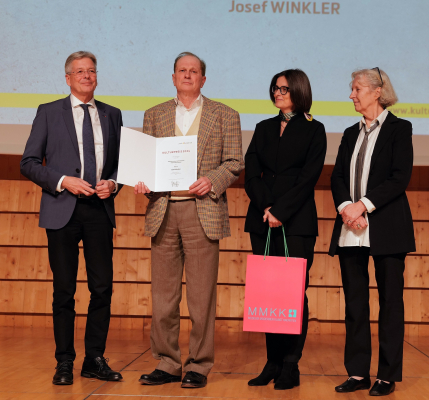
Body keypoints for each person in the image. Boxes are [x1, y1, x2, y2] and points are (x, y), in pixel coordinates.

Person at [134, 52, 244, 389]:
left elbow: (235, 161)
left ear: (203, 79)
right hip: (163, 212)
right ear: (173, 77)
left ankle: (199, 364)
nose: (187, 75)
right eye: (182, 70)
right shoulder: (154, 115)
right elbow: (145, 163)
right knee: (163, 298)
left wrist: (212, 179)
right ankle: (167, 363)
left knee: (201, 297)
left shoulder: (225, 115)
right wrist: (142, 178)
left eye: (194, 71)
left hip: (203, 212)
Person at [20, 51, 123, 385]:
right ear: (67, 78)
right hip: (62, 208)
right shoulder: (49, 112)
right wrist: (63, 181)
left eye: (91, 70)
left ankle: (94, 358)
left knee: (102, 288)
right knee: (63, 290)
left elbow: (122, 166)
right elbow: (29, 162)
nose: (86, 75)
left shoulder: (112, 114)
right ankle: (64, 360)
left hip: (98, 211)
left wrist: (113, 183)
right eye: (79, 71)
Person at [328, 68, 415, 396]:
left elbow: (399, 177)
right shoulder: (350, 133)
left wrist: (362, 205)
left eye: (357, 88)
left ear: (377, 91)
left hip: (387, 228)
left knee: (390, 303)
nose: (352, 94)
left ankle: (386, 375)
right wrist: (345, 209)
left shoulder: (399, 128)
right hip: (351, 228)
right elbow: (337, 176)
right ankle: (357, 372)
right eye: (352, 89)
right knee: (355, 304)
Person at [244, 69, 327, 390]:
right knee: (268, 294)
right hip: (262, 220)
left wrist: (281, 210)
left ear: (299, 91)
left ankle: (291, 364)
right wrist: (267, 207)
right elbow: (251, 172)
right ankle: (272, 362)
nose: (277, 93)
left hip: (297, 222)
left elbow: (309, 177)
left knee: (292, 294)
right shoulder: (264, 127)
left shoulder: (314, 129)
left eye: (284, 89)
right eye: (275, 88)